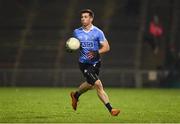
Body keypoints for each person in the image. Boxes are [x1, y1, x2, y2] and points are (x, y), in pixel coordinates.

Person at [69, 9, 120, 116]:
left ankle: (76, 95)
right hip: (84, 64)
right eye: (82, 17)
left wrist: (97, 52)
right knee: (98, 84)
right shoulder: (76, 32)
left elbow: (107, 47)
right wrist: (69, 47)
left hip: (96, 63)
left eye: (86, 17)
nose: (83, 19)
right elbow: (73, 44)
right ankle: (111, 109)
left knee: (90, 84)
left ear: (91, 18)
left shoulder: (98, 32)